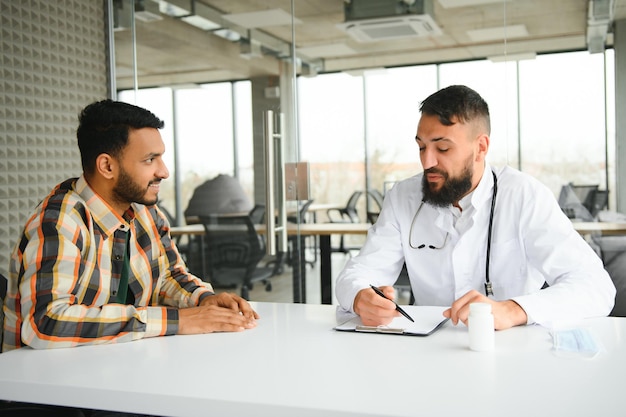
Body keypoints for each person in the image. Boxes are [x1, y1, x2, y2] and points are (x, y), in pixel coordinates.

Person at [335, 85, 616, 330]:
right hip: (426, 351)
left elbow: (595, 286)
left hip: (509, 351)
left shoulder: (524, 196)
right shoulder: (403, 197)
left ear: (481, 147)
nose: (427, 162)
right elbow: (360, 272)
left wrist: (514, 309)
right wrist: (361, 296)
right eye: (421, 147)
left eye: (442, 149)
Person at [2, 99, 258, 354]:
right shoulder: (60, 221)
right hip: (44, 385)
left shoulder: (146, 212)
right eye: (150, 160)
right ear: (107, 166)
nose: (164, 171)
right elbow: (46, 322)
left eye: (161, 157)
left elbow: (169, 277)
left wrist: (204, 299)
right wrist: (179, 321)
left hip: (119, 366)